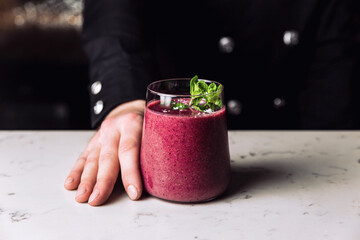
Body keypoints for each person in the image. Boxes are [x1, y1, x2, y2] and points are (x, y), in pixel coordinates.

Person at [64, 0, 360, 206]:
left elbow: (336, 82)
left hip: (294, 167)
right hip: (164, 139)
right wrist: (124, 105)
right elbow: (113, 19)